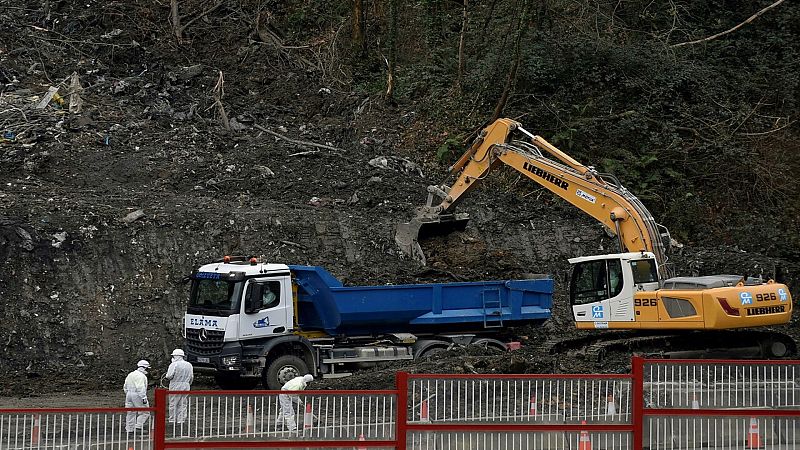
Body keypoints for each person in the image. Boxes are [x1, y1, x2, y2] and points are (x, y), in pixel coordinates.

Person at [165, 349, 194, 424]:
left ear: (176, 356)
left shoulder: (174, 364)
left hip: (175, 384)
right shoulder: (189, 365)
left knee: (173, 403)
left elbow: (169, 376)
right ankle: (181, 420)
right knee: (183, 403)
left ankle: (172, 419)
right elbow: (191, 377)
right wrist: (188, 384)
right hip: (186, 385)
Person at [124, 360, 151, 433]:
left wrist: (128, 393)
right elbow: (140, 387)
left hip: (129, 394)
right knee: (145, 412)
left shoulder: (131, 374)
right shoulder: (141, 376)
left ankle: (130, 429)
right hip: (137, 394)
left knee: (130, 412)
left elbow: (125, 386)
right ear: (145, 368)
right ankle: (138, 427)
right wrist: (143, 397)